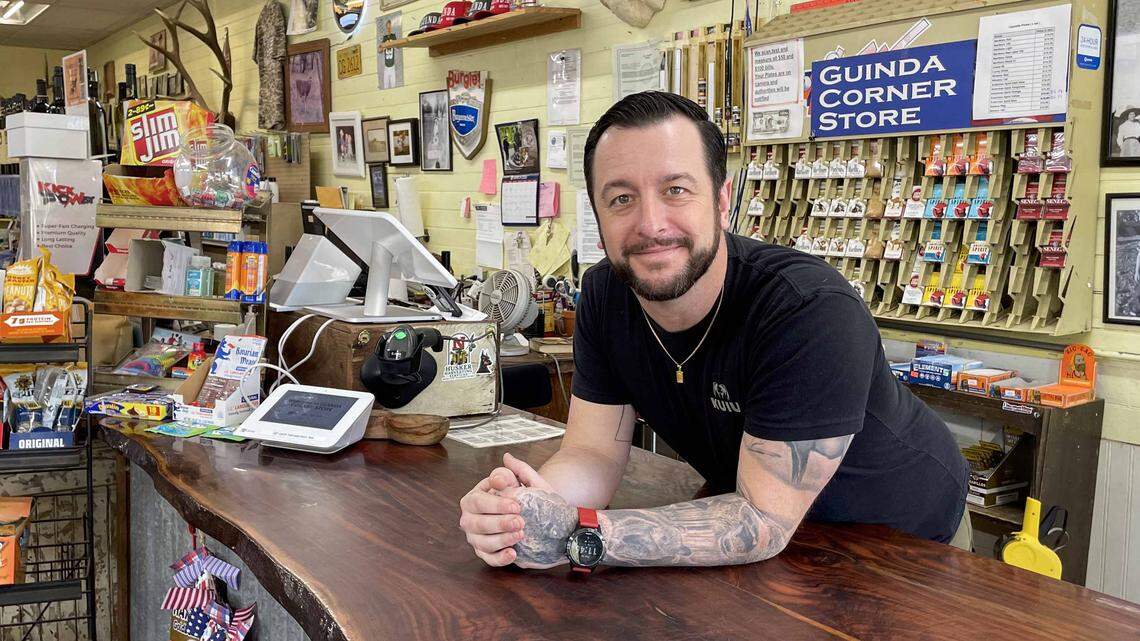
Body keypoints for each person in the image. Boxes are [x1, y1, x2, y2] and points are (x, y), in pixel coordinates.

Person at [458, 91, 970, 571]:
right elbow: (592, 454)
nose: (651, 223)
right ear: (596, 212)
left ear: (723, 200)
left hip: (903, 544)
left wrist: (582, 535)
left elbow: (761, 521)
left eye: (676, 190)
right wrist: (526, 512)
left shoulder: (806, 309)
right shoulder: (606, 295)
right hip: (756, 539)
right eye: (621, 199)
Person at [381, 20, 398, 89]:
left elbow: (397, 47)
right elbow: (381, 49)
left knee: (393, 85)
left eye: (389, 26)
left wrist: (392, 43)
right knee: (386, 86)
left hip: (392, 65)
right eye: (387, 27)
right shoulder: (384, 37)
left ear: (391, 27)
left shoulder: (393, 36)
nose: (388, 28)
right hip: (386, 65)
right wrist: (385, 45)